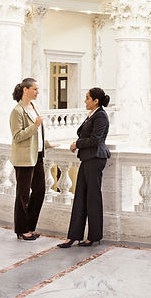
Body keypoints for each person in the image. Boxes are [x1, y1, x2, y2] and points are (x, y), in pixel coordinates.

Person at [57, 87, 110, 248]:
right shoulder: (92, 115)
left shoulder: (101, 116)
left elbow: (96, 140)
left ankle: (93, 236)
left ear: (96, 101)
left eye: (87, 98)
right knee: (80, 197)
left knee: (92, 198)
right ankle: (73, 236)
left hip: (95, 159)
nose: (85, 101)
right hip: (88, 158)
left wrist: (77, 144)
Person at [10, 77, 50, 241]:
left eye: (37, 89)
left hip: (38, 155)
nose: (37, 92)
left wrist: (47, 144)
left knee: (40, 191)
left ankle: (30, 226)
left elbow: (37, 135)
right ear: (25, 90)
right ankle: (22, 229)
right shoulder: (17, 111)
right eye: (35, 89)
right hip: (24, 159)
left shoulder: (33, 107)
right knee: (23, 195)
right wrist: (35, 125)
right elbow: (17, 136)